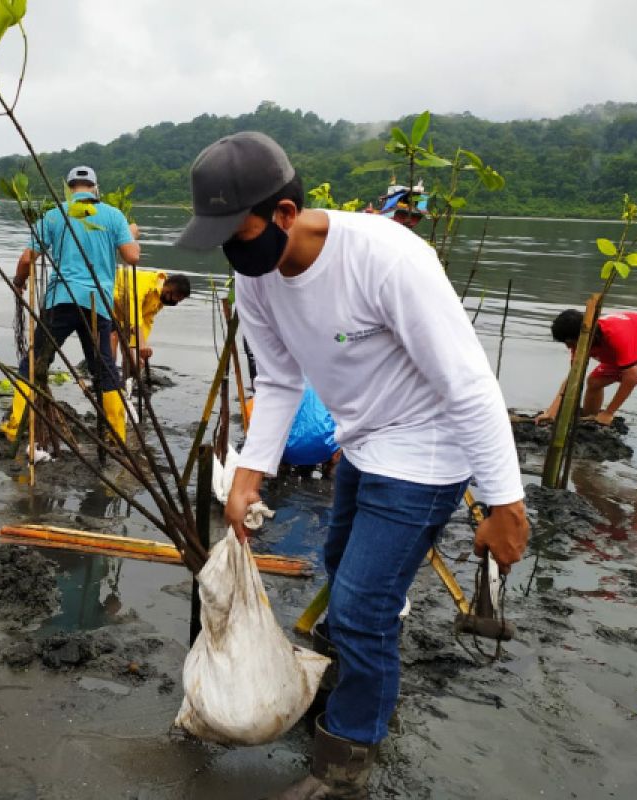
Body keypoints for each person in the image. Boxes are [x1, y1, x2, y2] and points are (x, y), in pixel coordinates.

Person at [175, 132, 528, 796]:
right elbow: (278, 382)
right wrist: (250, 473)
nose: (231, 250)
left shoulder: (388, 259)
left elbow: (468, 383)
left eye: (238, 232)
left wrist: (505, 503)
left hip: (427, 451)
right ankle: (350, 688)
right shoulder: (256, 279)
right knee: (344, 574)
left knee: (366, 608)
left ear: (284, 214)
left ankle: (345, 761)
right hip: (361, 442)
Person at [1, 166, 140, 443]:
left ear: (69, 187)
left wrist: (19, 282)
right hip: (97, 303)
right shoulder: (114, 215)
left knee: (35, 360)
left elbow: (28, 259)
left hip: (60, 300)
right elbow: (132, 257)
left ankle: (16, 424)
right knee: (104, 368)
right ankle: (116, 433)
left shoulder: (54, 215)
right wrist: (131, 234)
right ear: (95, 187)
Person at [540, 309, 637, 460]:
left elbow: (630, 378)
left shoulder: (616, 333)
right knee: (594, 382)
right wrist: (551, 412)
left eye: (571, 343)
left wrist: (609, 413)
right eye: (566, 344)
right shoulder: (579, 343)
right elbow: (572, 378)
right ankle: (591, 420)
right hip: (630, 355)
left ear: (586, 334)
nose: (569, 348)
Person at [110, 268, 191, 387]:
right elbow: (135, 317)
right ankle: (109, 380)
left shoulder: (159, 298)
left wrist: (140, 350)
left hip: (122, 313)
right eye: (176, 299)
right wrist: (142, 345)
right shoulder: (143, 284)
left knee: (131, 358)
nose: (176, 303)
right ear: (170, 289)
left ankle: (127, 380)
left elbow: (146, 321)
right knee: (113, 337)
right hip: (107, 300)